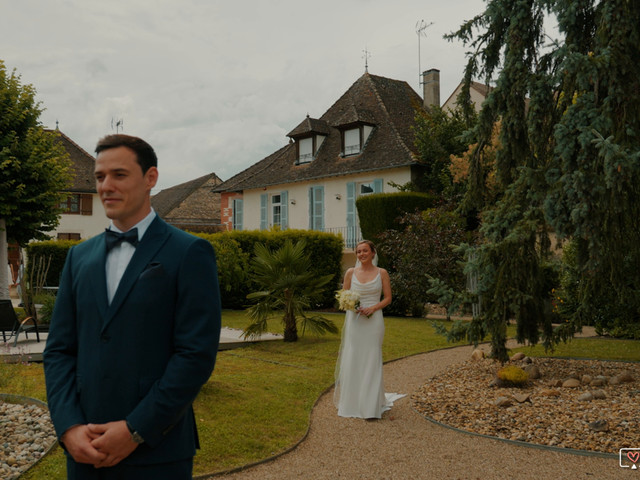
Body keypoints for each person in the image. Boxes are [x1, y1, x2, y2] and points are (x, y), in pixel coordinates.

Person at [43, 134, 222, 479]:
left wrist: (136, 429)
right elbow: (59, 350)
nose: (106, 186)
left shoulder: (189, 253)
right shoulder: (78, 256)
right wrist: (68, 427)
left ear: (150, 178)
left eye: (119, 175)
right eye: (99, 177)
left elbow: (195, 355)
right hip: (84, 450)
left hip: (158, 451)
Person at [334, 239, 404, 419]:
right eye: (358, 252)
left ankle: (371, 407)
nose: (361, 254)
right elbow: (343, 295)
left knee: (372, 358)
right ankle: (353, 402)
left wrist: (373, 308)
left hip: (374, 321)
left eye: (365, 251)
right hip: (355, 321)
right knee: (354, 357)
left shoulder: (382, 273)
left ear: (373, 252)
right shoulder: (350, 272)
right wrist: (352, 306)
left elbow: (388, 298)